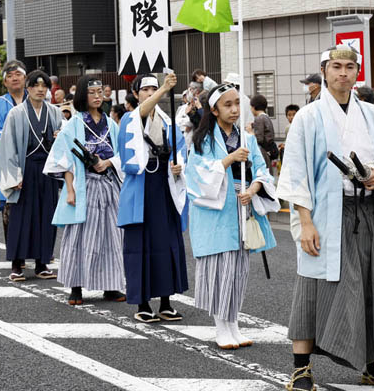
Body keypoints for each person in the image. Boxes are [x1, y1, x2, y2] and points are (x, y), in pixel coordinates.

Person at [277, 45, 374, 391]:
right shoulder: (308, 117)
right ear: (324, 70)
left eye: (350, 67)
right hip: (327, 213)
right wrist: (304, 221)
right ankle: (301, 369)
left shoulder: (371, 114)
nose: (343, 73)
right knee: (314, 285)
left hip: (370, 210)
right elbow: (296, 172)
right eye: (336, 66)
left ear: (357, 72)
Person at [186, 82, 278, 349]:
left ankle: (233, 324)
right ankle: (221, 326)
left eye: (237, 103)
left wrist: (254, 188)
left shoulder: (246, 137)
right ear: (214, 110)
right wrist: (228, 159)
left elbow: (262, 170)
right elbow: (197, 175)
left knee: (238, 268)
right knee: (220, 267)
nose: (235, 109)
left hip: (242, 204)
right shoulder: (202, 139)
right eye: (228, 105)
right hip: (217, 211)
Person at [45, 78, 126, 304]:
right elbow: (66, 159)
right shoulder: (74, 124)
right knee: (80, 237)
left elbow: (123, 154)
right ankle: (76, 287)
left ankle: (111, 285)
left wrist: (108, 163)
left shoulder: (111, 124)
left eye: (100, 92)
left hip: (109, 185)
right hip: (85, 185)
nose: (97, 96)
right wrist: (69, 190)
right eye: (91, 92)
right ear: (83, 95)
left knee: (112, 236)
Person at [117, 72, 189, 323]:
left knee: (166, 244)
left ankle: (166, 301)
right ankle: (142, 303)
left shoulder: (168, 121)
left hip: (164, 185)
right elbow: (141, 115)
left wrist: (178, 166)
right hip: (141, 187)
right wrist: (164, 90)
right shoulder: (130, 118)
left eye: (153, 89)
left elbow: (180, 150)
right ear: (136, 95)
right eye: (145, 90)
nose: (150, 93)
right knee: (141, 246)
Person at [0, 70, 62, 279]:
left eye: (44, 86)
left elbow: (64, 143)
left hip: (47, 171)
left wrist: (59, 138)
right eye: (36, 85)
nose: (40, 90)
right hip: (25, 169)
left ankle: (42, 262)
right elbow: (8, 146)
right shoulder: (16, 113)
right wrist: (14, 176)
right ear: (28, 88)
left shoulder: (54, 112)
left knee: (46, 215)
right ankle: (16, 263)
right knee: (21, 216)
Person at [0, 59, 28, 234]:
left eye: (18, 74)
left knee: (36, 207)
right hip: (8, 162)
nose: (14, 78)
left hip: (34, 161)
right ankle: (15, 252)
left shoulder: (35, 101)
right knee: (10, 208)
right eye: (10, 76)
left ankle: (40, 251)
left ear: (26, 78)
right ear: (4, 81)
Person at [248, 94, 278, 170]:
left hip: (263, 151)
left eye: (251, 107)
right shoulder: (266, 117)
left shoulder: (259, 119)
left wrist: (250, 131)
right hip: (269, 150)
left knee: (264, 172)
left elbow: (259, 139)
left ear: (254, 107)